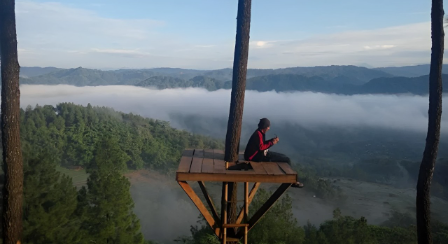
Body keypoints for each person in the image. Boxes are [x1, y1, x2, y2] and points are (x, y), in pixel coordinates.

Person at [244, 118, 304, 188]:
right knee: (286, 159)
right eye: (268, 127)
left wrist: (271, 140)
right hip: (257, 157)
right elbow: (261, 147)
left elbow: (261, 144)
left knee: (285, 157)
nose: (269, 128)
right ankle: (293, 181)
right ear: (265, 127)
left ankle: (292, 180)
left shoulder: (259, 132)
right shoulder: (258, 134)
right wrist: (272, 142)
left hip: (257, 155)